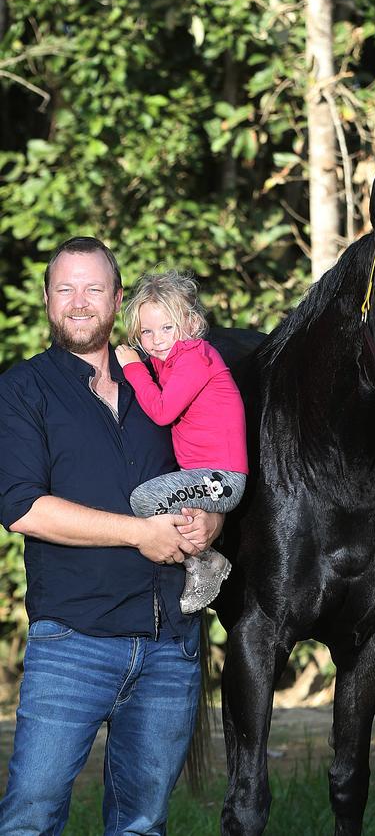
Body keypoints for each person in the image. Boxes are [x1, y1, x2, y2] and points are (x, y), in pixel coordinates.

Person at [0, 237, 223, 836]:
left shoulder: (165, 386)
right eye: (65, 289)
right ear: (47, 300)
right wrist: (139, 535)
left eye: (94, 289)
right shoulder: (23, 390)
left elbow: (212, 464)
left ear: (117, 299)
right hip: (73, 641)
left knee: (142, 825)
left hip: (168, 646)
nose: (79, 302)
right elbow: (23, 508)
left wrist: (212, 519)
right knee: (30, 817)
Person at [115, 269, 248, 613]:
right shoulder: (169, 363)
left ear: (190, 325)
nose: (156, 339)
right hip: (203, 478)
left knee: (145, 500)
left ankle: (205, 560)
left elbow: (160, 411)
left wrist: (132, 367)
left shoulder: (195, 356)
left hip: (223, 478)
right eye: (146, 331)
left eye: (166, 328)